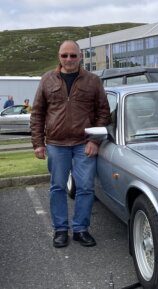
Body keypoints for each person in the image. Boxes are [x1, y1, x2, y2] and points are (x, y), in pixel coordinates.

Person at [30, 40, 110, 248]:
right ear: (59, 56)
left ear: (80, 56)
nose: (69, 59)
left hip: (84, 144)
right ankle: (61, 230)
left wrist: (95, 141)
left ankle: (81, 229)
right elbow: (37, 113)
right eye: (65, 55)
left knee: (85, 188)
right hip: (56, 144)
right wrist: (38, 143)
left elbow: (103, 113)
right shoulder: (47, 79)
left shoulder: (92, 81)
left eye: (73, 55)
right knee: (57, 187)